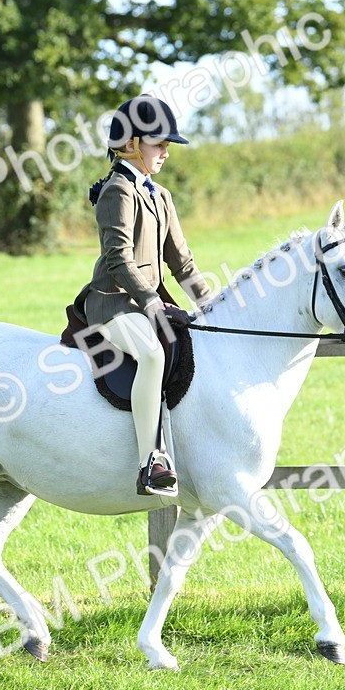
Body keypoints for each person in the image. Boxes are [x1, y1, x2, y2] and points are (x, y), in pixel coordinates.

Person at [78, 95, 212, 496]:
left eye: (168, 146)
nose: (166, 153)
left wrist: (213, 304)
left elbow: (182, 263)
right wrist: (152, 301)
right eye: (160, 144)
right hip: (114, 302)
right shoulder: (117, 192)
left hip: (147, 302)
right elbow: (118, 260)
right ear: (132, 143)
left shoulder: (160, 195)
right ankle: (151, 461)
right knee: (152, 353)